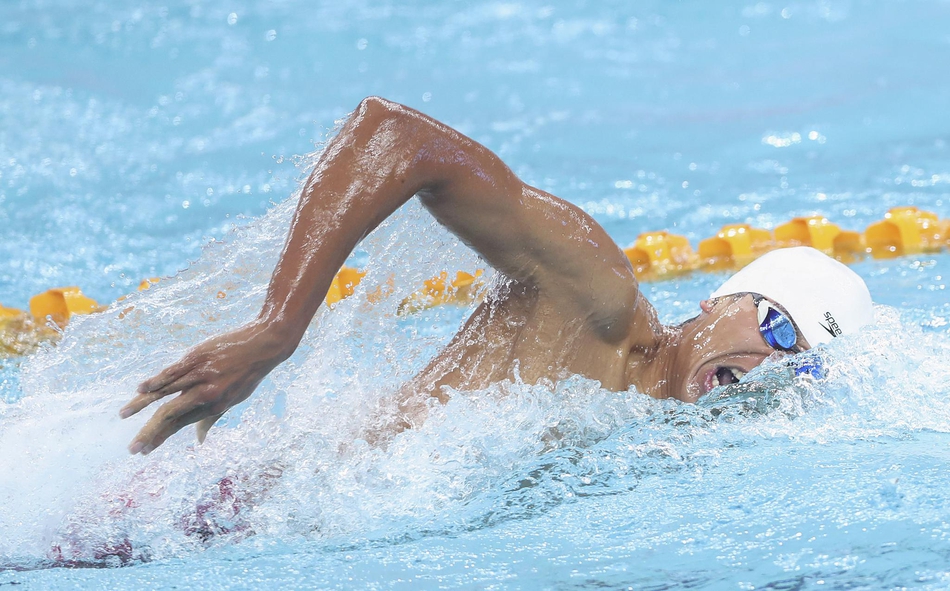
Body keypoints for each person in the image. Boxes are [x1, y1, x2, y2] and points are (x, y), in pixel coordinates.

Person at [120, 96, 874, 455]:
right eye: (775, 323)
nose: (767, 364)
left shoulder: (662, 444)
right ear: (720, 298)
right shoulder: (598, 301)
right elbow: (399, 136)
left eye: (797, 360)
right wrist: (278, 327)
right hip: (223, 503)